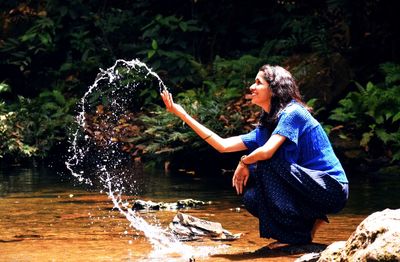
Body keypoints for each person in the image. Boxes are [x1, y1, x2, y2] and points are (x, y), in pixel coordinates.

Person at [161, 64, 349, 245]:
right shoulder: (266, 127)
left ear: (274, 89)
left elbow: (266, 152)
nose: (252, 87)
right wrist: (182, 114)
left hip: (331, 189)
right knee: (252, 197)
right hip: (307, 190)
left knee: (264, 163)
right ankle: (301, 231)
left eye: (258, 82)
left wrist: (244, 162)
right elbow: (223, 145)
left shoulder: (293, 113)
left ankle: (297, 237)